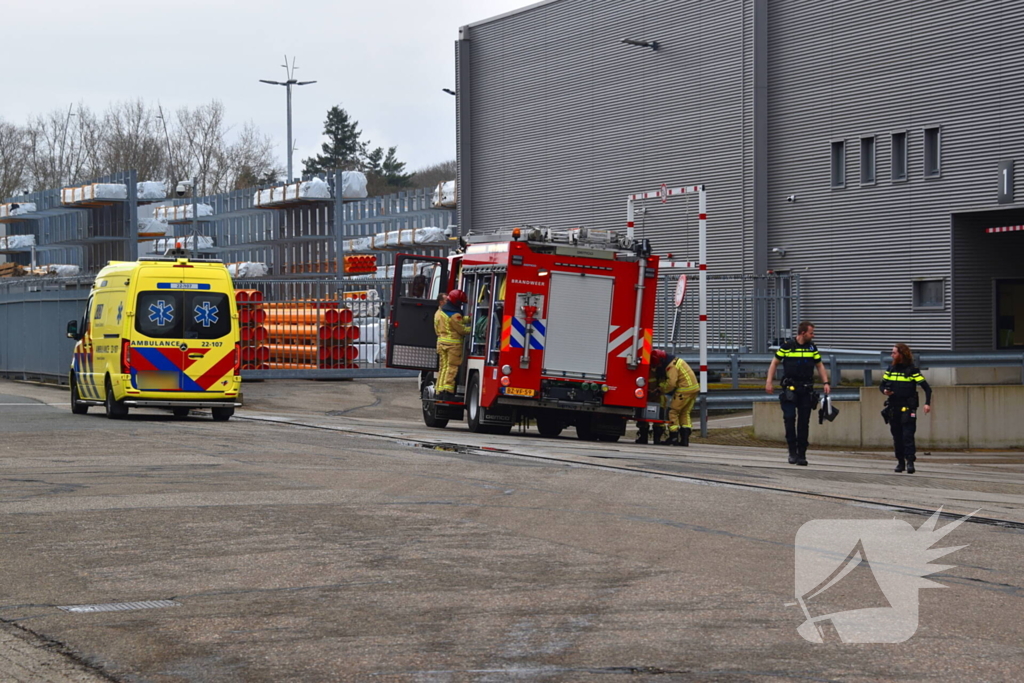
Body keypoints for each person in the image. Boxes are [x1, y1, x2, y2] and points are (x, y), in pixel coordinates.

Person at [765, 321, 831, 465]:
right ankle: (792, 452)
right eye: (811, 333)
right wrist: (769, 382)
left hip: (806, 389)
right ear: (803, 333)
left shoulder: (812, 348)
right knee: (789, 419)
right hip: (790, 389)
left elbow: (819, 365)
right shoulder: (787, 346)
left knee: (803, 422)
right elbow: (774, 363)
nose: (813, 335)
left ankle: (802, 454)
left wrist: (825, 382)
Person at [880, 343, 932, 474]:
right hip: (893, 408)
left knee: (908, 436)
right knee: (897, 437)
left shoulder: (912, 370)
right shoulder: (891, 369)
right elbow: (881, 386)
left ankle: (910, 462)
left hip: (908, 408)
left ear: (902, 354)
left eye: (894, 353)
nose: (892, 355)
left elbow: (927, 388)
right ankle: (900, 462)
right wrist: (885, 391)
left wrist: (927, 403)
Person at [434, 289, 470, 400]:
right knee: (452, 368)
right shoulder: (454, 314)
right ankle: (448, 392)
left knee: (443, 368)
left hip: (441, 343)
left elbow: (454, 321)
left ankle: (439, 390)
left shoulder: (439, 313)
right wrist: (475, 328)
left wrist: (468, 319)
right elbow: (462, 329)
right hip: (453, 346)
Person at [659, 350, 699, 446]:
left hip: (684, 390)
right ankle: (685, 439)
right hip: (693, 388)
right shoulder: (677, 361)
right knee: (684, 412)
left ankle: (673, 437)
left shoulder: (671, 366)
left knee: (672, 411)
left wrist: (662, 389)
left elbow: (672, 383)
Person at [635, 349, 668, 445]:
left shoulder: (662, 371)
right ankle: (643, 437)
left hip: (658, 396)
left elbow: (664, 383)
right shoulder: (645, 369)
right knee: (641, 417)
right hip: (645, 396)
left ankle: (657, 439)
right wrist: (647, 392)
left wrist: (658, 390)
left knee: (659, 417)